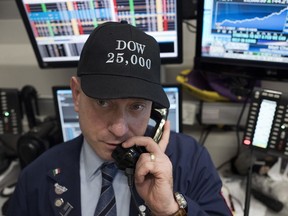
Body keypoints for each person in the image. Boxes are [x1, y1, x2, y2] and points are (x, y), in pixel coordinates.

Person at [7, 21, 232, 216]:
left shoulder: (190, 160)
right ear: (76, 95)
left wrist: (170, 209)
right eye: (103, 102)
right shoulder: (36, 177)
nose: (119, 128)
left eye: (136, 106)